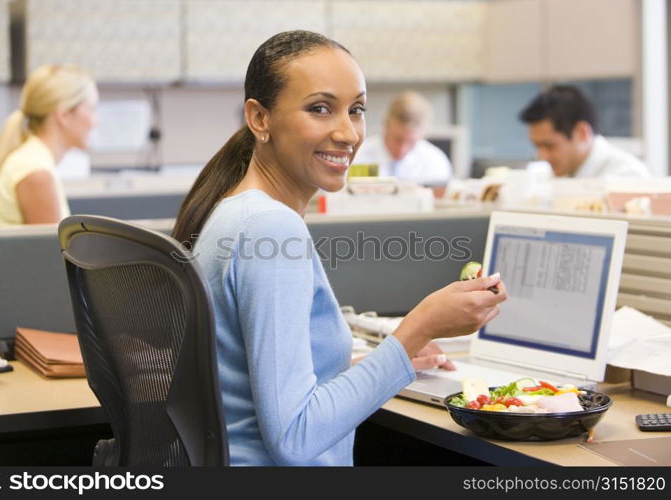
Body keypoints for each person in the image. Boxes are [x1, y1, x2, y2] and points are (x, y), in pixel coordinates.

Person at [172, 30, 506, 466]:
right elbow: (296, 437)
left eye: (357, 110)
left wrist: (392, 357)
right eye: (320, 109)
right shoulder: (270, 229)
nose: (348, 133)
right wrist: (417, 329)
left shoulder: (236, 212)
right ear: (259, 118)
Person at [0, 64, 99, 227]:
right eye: (92, 109)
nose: (96, 121)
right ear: (64, 116)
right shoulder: (36, 172)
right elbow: (51, 251)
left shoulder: (33, 159)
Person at [519, 85, 649, 179]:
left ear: (581, 133)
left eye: (549, 146)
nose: (542, 156)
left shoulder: (627, 176)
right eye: (537, 146)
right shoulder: (555, 174)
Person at [351, 90, 452, 185]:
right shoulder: (357, 156)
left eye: (411, 142)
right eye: (397, 139)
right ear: (386, 127)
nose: (402, 149)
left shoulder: (435, 162)